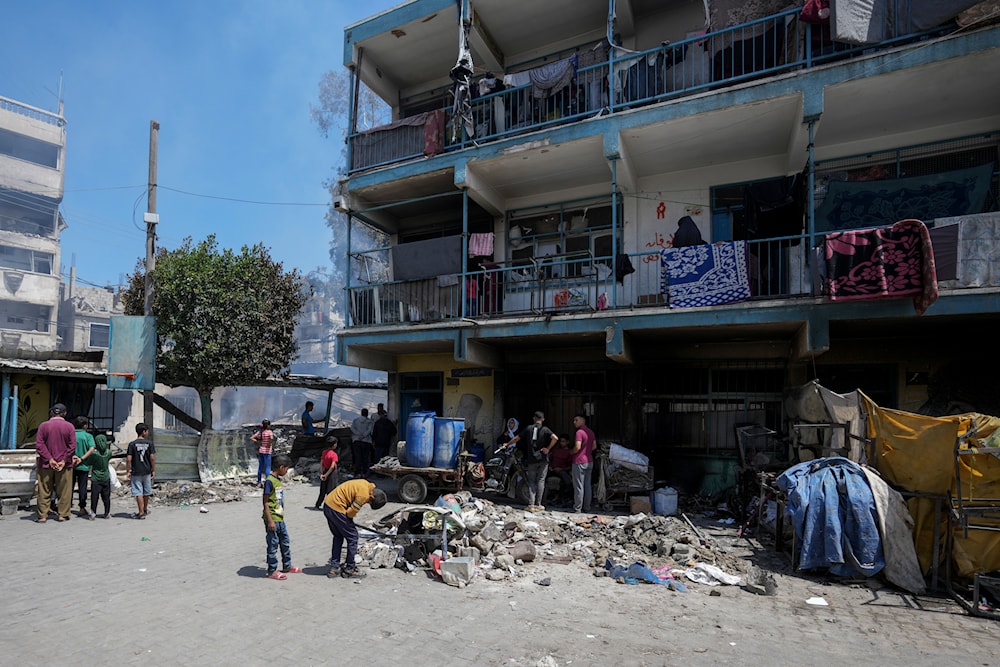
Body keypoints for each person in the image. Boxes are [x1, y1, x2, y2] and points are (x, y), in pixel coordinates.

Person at [322, 478, 387, 579]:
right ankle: (350, 569)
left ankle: (334, 568)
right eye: (369, 502)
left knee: (338, 536)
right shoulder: (363, 496)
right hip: (337, 508)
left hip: (328, 505)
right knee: (353, 537)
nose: (367, 503)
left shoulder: (366, 484)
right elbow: (350, 513)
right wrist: (348, 522)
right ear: (372, 496)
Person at [503, 410, 557, 512]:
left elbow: (516, 438)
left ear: (534, 419)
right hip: (543, 459)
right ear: (543, 420)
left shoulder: (528, 428)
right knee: (541, 480)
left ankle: (531, 504)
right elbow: (555, 438)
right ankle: (539, 504)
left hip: (532, 459)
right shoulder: (545, 429)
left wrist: (507, 444)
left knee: (531, 481)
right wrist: (548, 448)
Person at [35, 403, 78, 523]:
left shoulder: (43, 426)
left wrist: (50, 459)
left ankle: (42, 515)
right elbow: (72, 446)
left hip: (45, 464)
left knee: (44, 490)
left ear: (51, 413)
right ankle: (63, 514)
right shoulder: (69, 427)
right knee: (64, 490)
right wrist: (63, 460)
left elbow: (39, 445)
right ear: (64, 414)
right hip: (65, 465)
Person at [262, 454, 302, 580]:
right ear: (281, 467)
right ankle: (272, 571)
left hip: (280, 518)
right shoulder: (269, 481)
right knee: (273, 545)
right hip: (273, 519)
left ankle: (287, 565)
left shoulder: (277, 480)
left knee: (285, 542)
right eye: (286, 468)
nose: (287, 471)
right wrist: (270, 520)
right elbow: (265, 502)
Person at [126, 423, 156, 519]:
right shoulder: (149, 443)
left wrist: (128, 470)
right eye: (147, 431)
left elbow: (129, 459)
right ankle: (145, 509)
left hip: (136, 471)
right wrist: (153, 469)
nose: (147, 432)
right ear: (144, 432)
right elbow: (152, 458)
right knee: (146, 491)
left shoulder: (132, 444)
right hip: (146, 471)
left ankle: (141, 512)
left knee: (138, 492)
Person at [570, 413, 596, 514]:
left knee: (578, 486)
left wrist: (571, 452)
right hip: (589, 461)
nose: (574, 422)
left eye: (576, 420)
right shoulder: (591, 432)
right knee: (587, 485)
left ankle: (577, 508)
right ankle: (587, 507)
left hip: (579, 461)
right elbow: (594, 446)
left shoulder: (579, 432)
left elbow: (577, 447)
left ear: (582, 420)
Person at [72, 416, 97, 519]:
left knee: (69, 487)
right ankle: (82, 508)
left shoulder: (71, 434)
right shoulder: (88, 436)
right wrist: (81, 459)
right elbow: (92, 449)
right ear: (85, 426)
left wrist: (72, 457)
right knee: (83, 487)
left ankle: (66, 506)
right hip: (83, 465)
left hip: (71, 465)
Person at [88, 432, 113, 519]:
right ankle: (107, 513)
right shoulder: (109, 452)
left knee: (94, 497)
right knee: (106, 497)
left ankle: (93, 513)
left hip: (96, 478)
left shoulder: (94, 454)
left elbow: (89, 462)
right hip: (106, 477)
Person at [548, 434, 575, 506]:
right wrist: (550, 467)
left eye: (563, 441)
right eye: (561, 441)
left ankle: (564, 498)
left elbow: (570, 466)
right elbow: (550, 460)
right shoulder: (555, 451)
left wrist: (561, 469)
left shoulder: (569, 452)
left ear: (567, 442)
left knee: (567, 481)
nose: (561, 443)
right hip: (552, 469)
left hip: (562, 470)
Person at [314, 436, 340, 510]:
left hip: (325, 471)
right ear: (334, 445)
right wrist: (326, 475)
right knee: (331, 490)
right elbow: (332, 466)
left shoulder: (324, 452)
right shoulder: (334, 454)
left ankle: (318, 504)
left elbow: (321, 463)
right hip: (332, 473)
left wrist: (322, 473)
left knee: (323, 490)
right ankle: (330, 506)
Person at [250, 419, 275, 487]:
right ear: (268, 426)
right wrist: (269, 443)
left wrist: (258, 442)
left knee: (260, 467)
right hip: (267, 452)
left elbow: (252, 438)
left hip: (261, 451)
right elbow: (272, 438)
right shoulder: (269, 432)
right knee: (267, 467)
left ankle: (259, 482)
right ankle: (267, 483)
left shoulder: (260, 432)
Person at [350, 408, 374, 477]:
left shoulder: (356, 420)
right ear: (367, 414)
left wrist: (358, 434)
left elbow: (352, 428)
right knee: (365, 457)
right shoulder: (369, 421)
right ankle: (364, 472)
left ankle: (357, 472)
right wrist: (363, 435)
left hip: (356, 440)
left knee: (357, 457)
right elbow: (369, 430)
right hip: (366, 441)